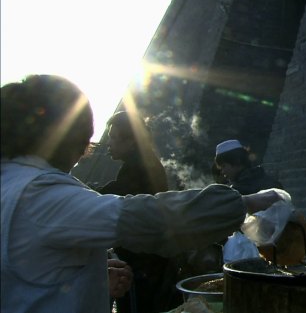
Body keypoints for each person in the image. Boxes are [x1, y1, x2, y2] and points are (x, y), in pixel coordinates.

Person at [0, 74, 286, 313]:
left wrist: (90, 269)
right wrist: (243, 202)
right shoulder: (39, 192)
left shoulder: (12, 183)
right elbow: (146, 218)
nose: (85, 152)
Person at [96, 111, 178, 313]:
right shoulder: (143, 162)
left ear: (131, 141)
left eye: (115, 138)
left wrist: (86, 195)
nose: (109, 143)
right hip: (150, 258)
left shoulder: (138, 167)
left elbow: (117, 194)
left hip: (142, 262)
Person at [214, 139, 283, 195]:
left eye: (224, 166)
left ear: (236, 161)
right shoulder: (271, 182)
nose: (223, 172)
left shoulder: (236, 193)